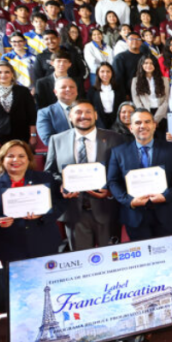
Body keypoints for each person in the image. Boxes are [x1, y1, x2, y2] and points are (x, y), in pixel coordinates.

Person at [45, 100, 126, 250]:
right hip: (74, 212)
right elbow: (50, 173)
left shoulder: (115, 138)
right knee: (81, 259)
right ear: (70, 116)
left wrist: (109, 190)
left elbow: (123, 170)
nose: (84, 116)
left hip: (106, 209)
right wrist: (61, 185)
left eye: (88, 112)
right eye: (78, 112)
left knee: (112, 259)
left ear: (95, 115)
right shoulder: (57, 140)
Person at [0, 141, 66, 267]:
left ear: (29, 160)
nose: (16, 159)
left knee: (48, 285)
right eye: (10, 156)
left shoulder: (45, 178)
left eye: (21, 156)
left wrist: (43, 215)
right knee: (14, 285)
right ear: (1, 160)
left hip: (44, 243)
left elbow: (61, 204)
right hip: (9, 247)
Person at [106, 109, 172, 240]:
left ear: (154, 125)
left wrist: (166, 196)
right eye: (138, 123)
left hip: (166, 212)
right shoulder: (119, 152)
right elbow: (113, 181)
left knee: (167, 254)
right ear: (131, 128)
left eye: (147, 122)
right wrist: (130, 201)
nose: (142, 126)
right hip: (135, 215)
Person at [0, 60, 38, 155]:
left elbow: (32, 116)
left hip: (22, 136)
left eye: (7, 72)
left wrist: (33, 136)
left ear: (12, 74)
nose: (3, 75)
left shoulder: (23, 91)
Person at [36, 76, 78, 146]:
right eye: (63, 87)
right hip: (62, 154)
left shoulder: (88, 110)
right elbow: (48, 140)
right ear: (55, 92)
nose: (68, 89)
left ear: (76, 91)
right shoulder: (45, 113)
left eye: (72, 87)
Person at [131, 55, 171, 124]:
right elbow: (136, 100)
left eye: (151, 63)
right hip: (144, 114)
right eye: (146, 63)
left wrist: (156, 120)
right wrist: (147, 117)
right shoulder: (135, 80)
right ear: (141, 65)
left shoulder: (164, 80)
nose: (149, 65)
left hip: (161, 114)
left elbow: (166, 100)